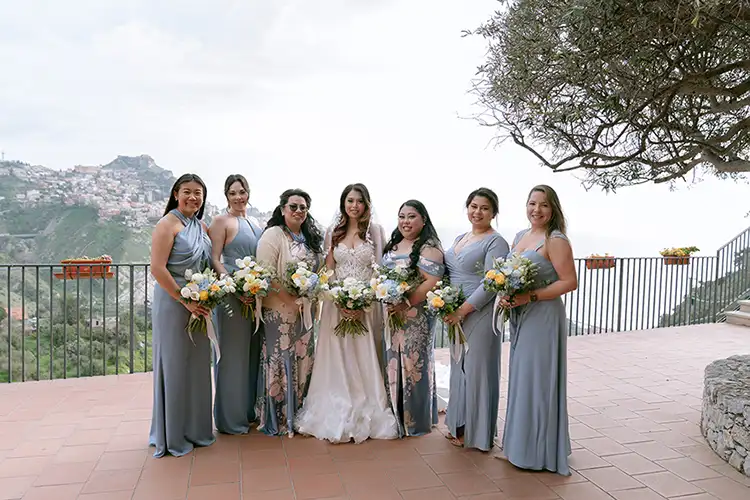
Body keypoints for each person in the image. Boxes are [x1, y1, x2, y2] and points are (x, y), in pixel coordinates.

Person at [295, 184, 398, 443]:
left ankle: (368, 403)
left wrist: (362, 299)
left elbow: (378, 269)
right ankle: (335, 401)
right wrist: (338, 298)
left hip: (366, 304)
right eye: (349, 200)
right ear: (343, 203)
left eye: (359, 201)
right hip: (336, 304)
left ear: (366, 204)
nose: (354, 205)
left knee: (363, 354)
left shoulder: (375, 231)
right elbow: (328, 269)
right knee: (337, 354)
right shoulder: (334, 231)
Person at [497, 184, 577, 475]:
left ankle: (539, 451)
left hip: (543, 315)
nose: (536, 210)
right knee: (522, 378)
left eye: (543, 205)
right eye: (532, 203)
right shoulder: (521, 236)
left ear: (553, 208)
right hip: (521, 315)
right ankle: (519, 447)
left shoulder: (555, 239)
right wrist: (505, 294)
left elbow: (569, 282)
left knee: (538, 380)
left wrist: (530, 296)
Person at [148, 173, 214, 457]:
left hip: (198, 303)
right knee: (174, 365)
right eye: (187, 191)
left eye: (198, 193)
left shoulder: (201, 226)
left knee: (198, 366)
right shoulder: (166, 224)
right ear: (176, 194)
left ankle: (197, 430)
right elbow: (158, 269)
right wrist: (182, 299)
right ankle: (173, 435)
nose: (193, 197)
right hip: (173, 303)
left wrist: (208, 292)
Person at [443, 188, 510, 451]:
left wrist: (464, 309)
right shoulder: (461, 237)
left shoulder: (497, 242)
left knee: (478, 370)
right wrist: (444, 301)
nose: (477, 212)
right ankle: (457, 425)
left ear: (493, 212)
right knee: (459, 368)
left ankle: (478, 433)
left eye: (484, 208)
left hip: (479, 313)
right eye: (473, 206)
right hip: (454, 311)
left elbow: (493, 282)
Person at [255, 188, 323, 436]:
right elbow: (266, 272)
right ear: (283, 209)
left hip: (305, 312)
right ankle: (281, 416)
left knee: (304, 359)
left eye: (303, 207)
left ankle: (301, 413)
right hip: (280, 312)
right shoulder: (273, 235)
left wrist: (309, 295)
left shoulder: (309, 238)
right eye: (293, 206)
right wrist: (290, 298)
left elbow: (320, 271)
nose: (298, 211)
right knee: (280, 360)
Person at [382, 200, 444, 437]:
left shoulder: (429, 247)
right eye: (402, 217)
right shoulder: (395, 244)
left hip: (416, 314)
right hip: (391, 314)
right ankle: (395, 413)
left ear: (424, 220)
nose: (405, 222)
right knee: (392, 360)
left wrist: (405, 302)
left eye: (411, 217)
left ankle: (415, 419)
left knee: (413, 362)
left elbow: (432, 281)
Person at [208, 174, 263, 435]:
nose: (239, 196)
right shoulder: (221, 221)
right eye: (233, 192)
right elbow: (215, 258)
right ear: (226, 196)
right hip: (232, 295)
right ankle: (230, 418)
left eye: (242, 191)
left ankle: (248, 410)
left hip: (253, 294)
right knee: (232, 356)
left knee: (252, 353)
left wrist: (255, 286)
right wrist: (234, 286)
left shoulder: (254, 222)